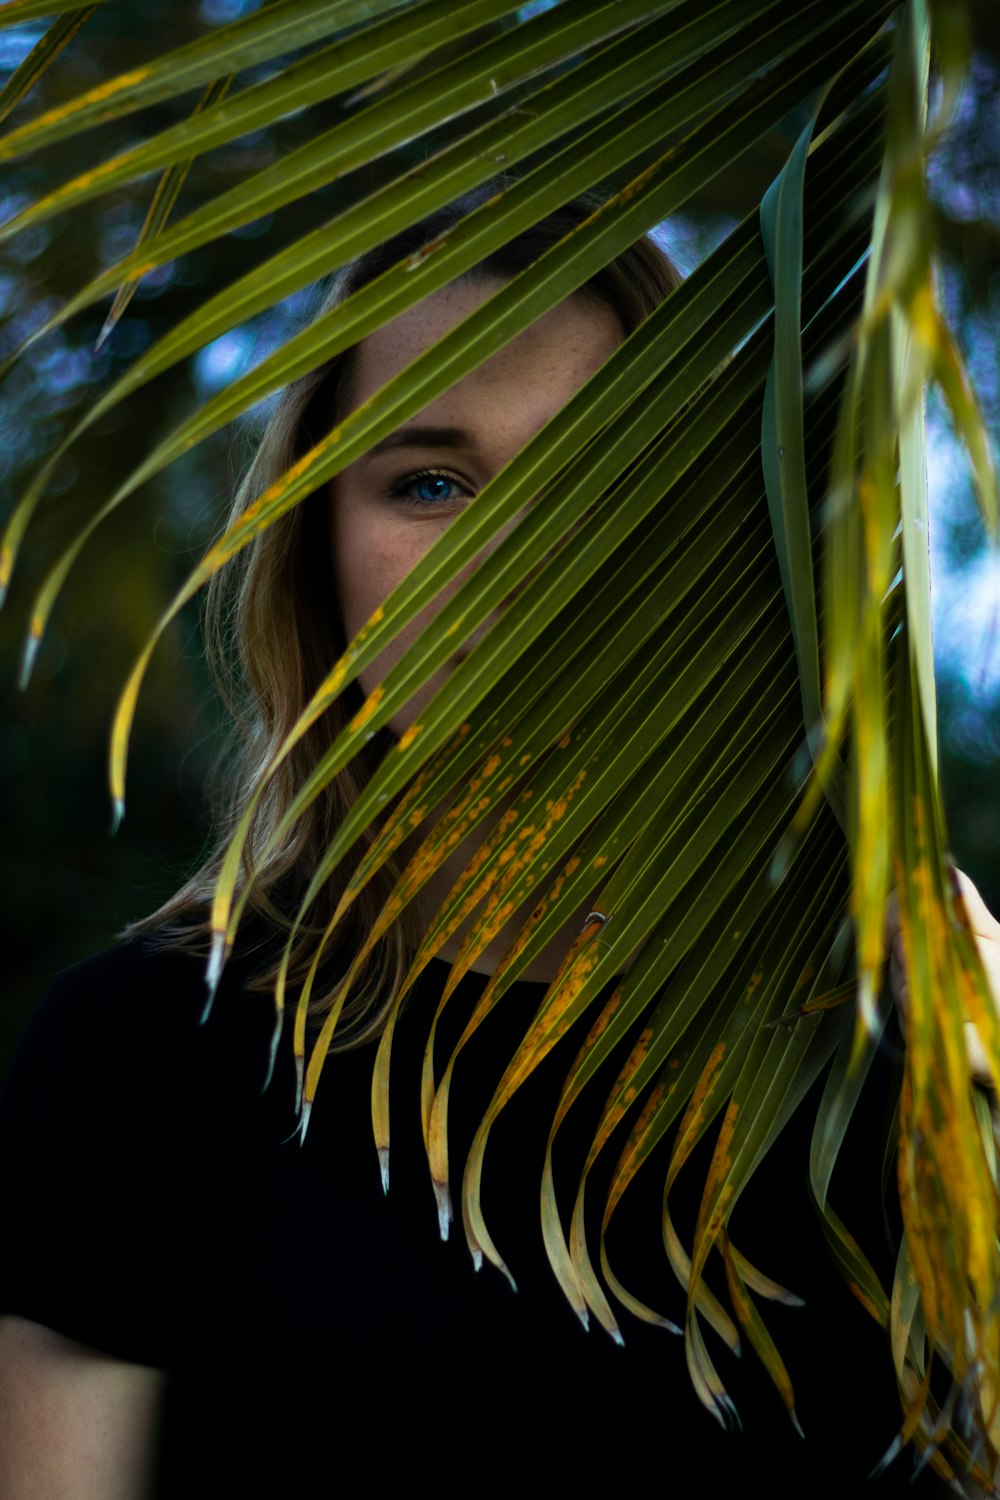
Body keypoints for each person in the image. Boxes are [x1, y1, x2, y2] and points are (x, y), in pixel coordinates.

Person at [1, 194, 998, 1499]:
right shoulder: (136, 1061)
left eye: (599, 477)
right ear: (322, 558)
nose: (519, 555)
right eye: (430, 483)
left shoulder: (897, 1045)